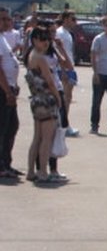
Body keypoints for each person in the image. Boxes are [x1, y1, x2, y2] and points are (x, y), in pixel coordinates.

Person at [24, 26, 64, 184]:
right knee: (47, 138)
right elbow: (50, 81)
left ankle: (30, 171)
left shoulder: (30, 55)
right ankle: (42, 171)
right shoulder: (40, 58)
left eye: (47, 39)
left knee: (37, 137)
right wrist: (58, 98)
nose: (46, 42)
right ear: (34, 40)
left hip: (35, 99)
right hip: (46, 99)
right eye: (42, 39)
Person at [0, 7, 19, 179]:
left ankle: (6, 163)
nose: (6, 22)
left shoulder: (3, 38)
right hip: (3, 91)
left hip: (9, 88)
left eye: (7, 19)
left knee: (11, 126)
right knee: (3, 128)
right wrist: (7, 92)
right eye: (3, 19)